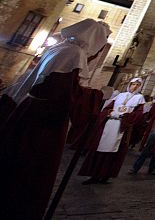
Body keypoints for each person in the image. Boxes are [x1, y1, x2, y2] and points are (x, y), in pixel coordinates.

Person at [0, 18, 108, 220]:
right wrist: (95, 96)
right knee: (31, 172)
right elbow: (62, 92)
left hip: (32, 110)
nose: (98, 52)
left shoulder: (61, 48)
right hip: (44, 122)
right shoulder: (73, 54)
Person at [79, 77, 146, 184]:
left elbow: (138, 115)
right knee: (100, 147)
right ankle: (94, 174)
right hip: (109, 124)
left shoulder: (139, 98)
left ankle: (105, 175)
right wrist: (109, 113)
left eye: (138, 85)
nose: (135, 86)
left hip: (121, 126)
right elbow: (107, 109)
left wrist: (126, 116)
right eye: (133, 84)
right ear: (130, 84)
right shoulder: (120, 95)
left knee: (113, 151)